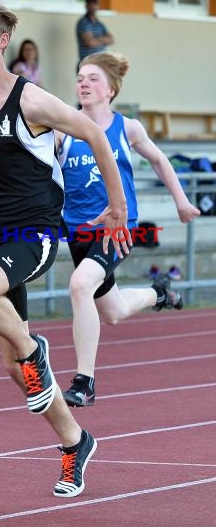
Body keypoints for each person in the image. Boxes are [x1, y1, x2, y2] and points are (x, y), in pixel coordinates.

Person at [0, 0, 131, 498]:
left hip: (35, 231)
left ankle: (33, 346)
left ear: (1, 41)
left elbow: (95, 135)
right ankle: (75, 440)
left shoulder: (31, 100)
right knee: (13, 368)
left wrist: (118, 204)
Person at [56, 52, 200, 408]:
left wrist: (181, 202)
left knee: (79, 285)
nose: (83, 84)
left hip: (118, 228)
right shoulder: (64, 129)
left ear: (111, 89)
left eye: (92, 78)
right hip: (78, 231)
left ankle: (84, 381)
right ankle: (159, 294)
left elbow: (159, 160)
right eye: (80, 78)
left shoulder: (127, 128)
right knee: (113, 311)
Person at [76, 0, 114, 68]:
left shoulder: (100, 24)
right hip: (87, 64)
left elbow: (111, 40)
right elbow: (89, 43)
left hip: (100, 64)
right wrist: (103, 40)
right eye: (90, 5)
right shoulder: (83, 22)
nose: (93, 7)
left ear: (97, 6)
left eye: (95, 5)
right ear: (86, 6)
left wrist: (96, 39)